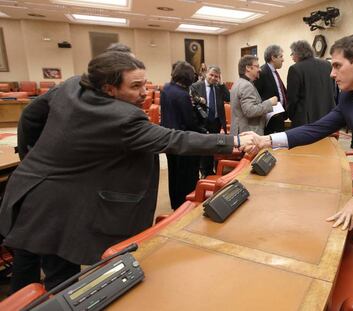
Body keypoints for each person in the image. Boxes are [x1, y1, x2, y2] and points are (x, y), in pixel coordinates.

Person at [0, 51, 257, 293]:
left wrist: (33, 157)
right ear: (108, 88)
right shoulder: (123, 117)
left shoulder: (71, 86)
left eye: (144, 84)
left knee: (25, 270)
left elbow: (30, 118)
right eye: (135, 87)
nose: (145, 92)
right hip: (57, 212)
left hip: (25, 190)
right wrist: (233, 141)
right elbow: (174, 139)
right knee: (60, 282)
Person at [251, 34, 353, 231]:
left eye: (337, 66)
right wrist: (265, 140)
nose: (331, 74)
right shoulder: (348, 96)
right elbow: (316, 128)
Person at [161, 61, 206, 210]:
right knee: (187, 177)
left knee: (174, 175)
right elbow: (189, 122)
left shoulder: (166, 88)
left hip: (169, 139)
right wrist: (203, 131)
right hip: (184, 142)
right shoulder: (182, 95)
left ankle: (176, 204)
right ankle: (186, 206)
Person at [190, 65, 230, 177]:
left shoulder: (219, 87)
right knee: (204, 147)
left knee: (214, 147)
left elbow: (229, 98)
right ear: (206, 74)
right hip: (202, 122)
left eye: (216, 76)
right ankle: (204, 172)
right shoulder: (196, 86)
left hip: (216, 121)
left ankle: (213, 171)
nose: (213, 78)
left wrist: (221, 84)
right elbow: (192, 102)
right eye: (211, 75)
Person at [287, 40, 336, 128]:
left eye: (292, 54)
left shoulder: (295, 69)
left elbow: (292, 98)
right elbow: (333, 91)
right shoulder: (327, 65)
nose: (292, 57)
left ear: (297, 53)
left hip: (305, 121)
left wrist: (290, 115)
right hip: (328, 117)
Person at [230, 55, 277, 135]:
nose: (260, 69)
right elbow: (249, 111)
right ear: (248, 68)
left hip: (241, 131)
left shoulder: (238, 82)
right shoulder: (246, 85)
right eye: (257, 66)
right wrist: (269, 103)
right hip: (248, 133)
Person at [254, 44, 287, 134]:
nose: (283, 59)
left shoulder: (275, 72)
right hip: (269, 121)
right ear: (273, 57)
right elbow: (256, 97)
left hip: (279, 118)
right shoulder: (262, 72)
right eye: (281, 56)